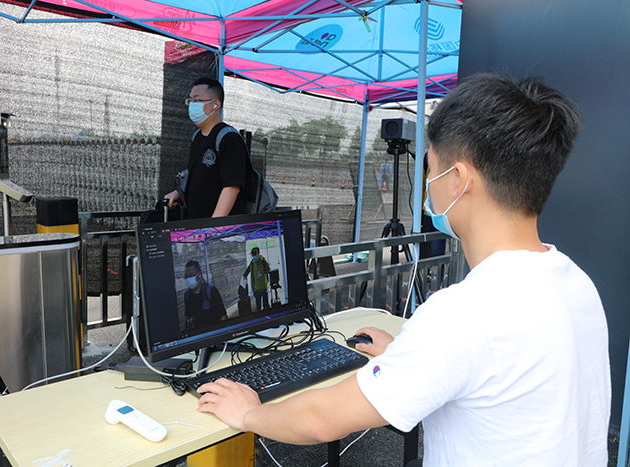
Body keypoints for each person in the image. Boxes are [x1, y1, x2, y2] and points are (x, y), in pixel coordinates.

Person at [196, 73, 611, 466]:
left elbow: (320, 419)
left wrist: (248, 413)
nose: (428, 182)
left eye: (430, 167)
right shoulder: (575, 283)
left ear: (458, 180)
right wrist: (404, 357)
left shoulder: (464, 313)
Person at [164, 77, 247, 219]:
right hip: (196, 224)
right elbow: (201, 179)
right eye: (190, 100)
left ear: (215, 104)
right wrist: (179, 193)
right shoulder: (197, 137)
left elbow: (232, 187)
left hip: (220, 228)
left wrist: (213, 227)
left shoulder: (229, 139)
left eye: (197, 100)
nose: (191, 105)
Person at [183, 260, 227, 330]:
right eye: (186, 276)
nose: (188, 279)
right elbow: (187, 316)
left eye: (191, 275)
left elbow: (223, 316)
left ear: (199, 275)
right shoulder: (187, 295)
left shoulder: (211, 291)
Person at [242, 247, 270, 312]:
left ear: (259, 253)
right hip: (256, 289)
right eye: (253, 255)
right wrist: (244, 277)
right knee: (258, 307)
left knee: (266, 305)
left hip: (264, 287)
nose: (254, 256)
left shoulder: (263, 261)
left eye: (255, 254)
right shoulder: (252, 263)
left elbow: (268, 270)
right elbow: (247, 271)